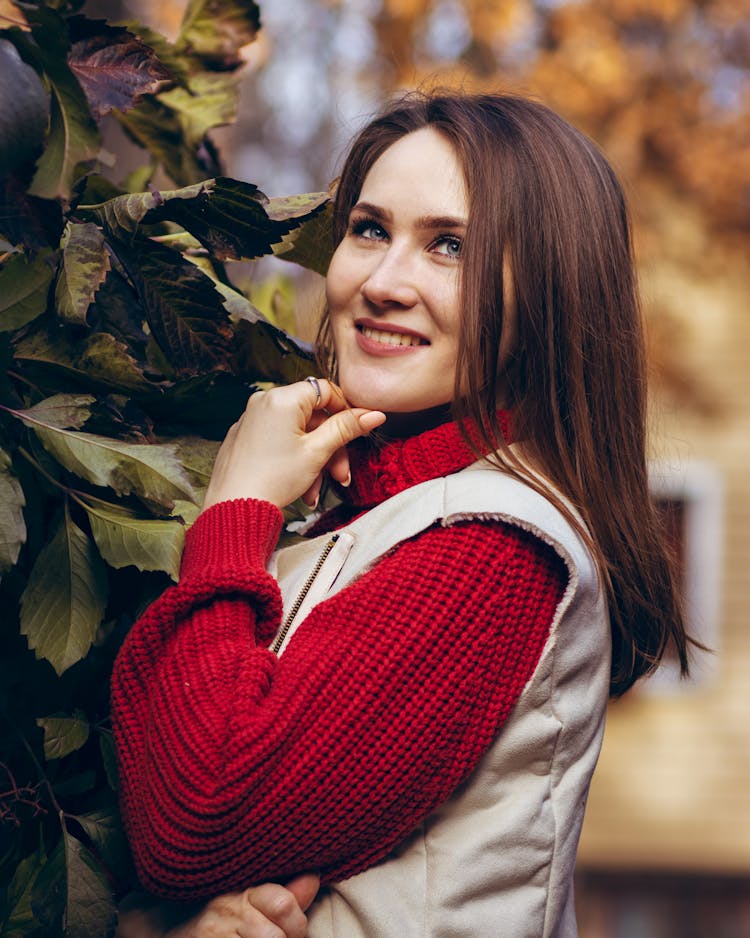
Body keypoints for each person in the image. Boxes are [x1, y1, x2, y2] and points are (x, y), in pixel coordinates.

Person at [111, 90, 692, 938]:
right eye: (371, 230)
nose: (384, 283)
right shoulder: (377, 512)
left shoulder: (491, 547)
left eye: (449, 246)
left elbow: (196, 819)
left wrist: (234, 510)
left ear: (549, 294)